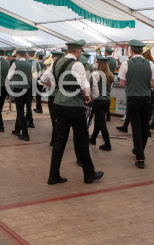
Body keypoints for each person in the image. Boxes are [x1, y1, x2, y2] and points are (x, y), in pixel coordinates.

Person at [42, 39, 103, 184]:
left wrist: (57, 85)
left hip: (58, 104)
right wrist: (87, 98)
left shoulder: (56, 62)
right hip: (74, 107)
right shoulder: (77, 64)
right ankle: (89, 175)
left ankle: (53, 175)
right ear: (78, 51)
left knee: (59, 141)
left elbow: (43, 79)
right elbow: (84, 84)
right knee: (82, 139)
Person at [118, 40, 154, 169]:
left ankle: (140, 157)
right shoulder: (150, 64)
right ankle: (139, 151)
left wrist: (133, 84)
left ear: (131, 51)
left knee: (136, 128)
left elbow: (122, 84)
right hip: (146, 99)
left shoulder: (126, 64)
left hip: (133, 99)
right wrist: (146, 86)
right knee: (144, 127)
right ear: (141, 51)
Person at [8, 49, 35, 141]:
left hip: (18, 88)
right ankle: (16, 130)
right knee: (21, 108)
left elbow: (9, 77)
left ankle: (25, 133)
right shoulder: (30, 65)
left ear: (19, 55)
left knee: (19, 110)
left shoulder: (15, 64)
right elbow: (33, 76)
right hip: (27, 88)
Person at [89, 56, 114, 151]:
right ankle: (93, 139)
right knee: (98, 121)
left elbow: (92, 87)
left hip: (98, 100)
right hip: (107, 100)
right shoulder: (110, 75)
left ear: (98, 64)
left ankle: (108, 144)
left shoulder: (95, 74)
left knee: (101, 122)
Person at [45, 50, 63, 146]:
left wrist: (53, 85)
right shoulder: (65, 67)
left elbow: (44, 79)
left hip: (52, 95)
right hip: (61, 95)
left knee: (54, 119)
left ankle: (54, 140)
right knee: (60, 120)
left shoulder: (52, 67)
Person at [25, 49, 36, 128]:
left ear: (28, 54)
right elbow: (36, 75)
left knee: (27, 104)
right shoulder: (37, 63)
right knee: (29, 103)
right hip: (34, 84)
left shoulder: (27, 63)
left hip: (27, 84)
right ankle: (28, 118)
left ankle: (30, 120)